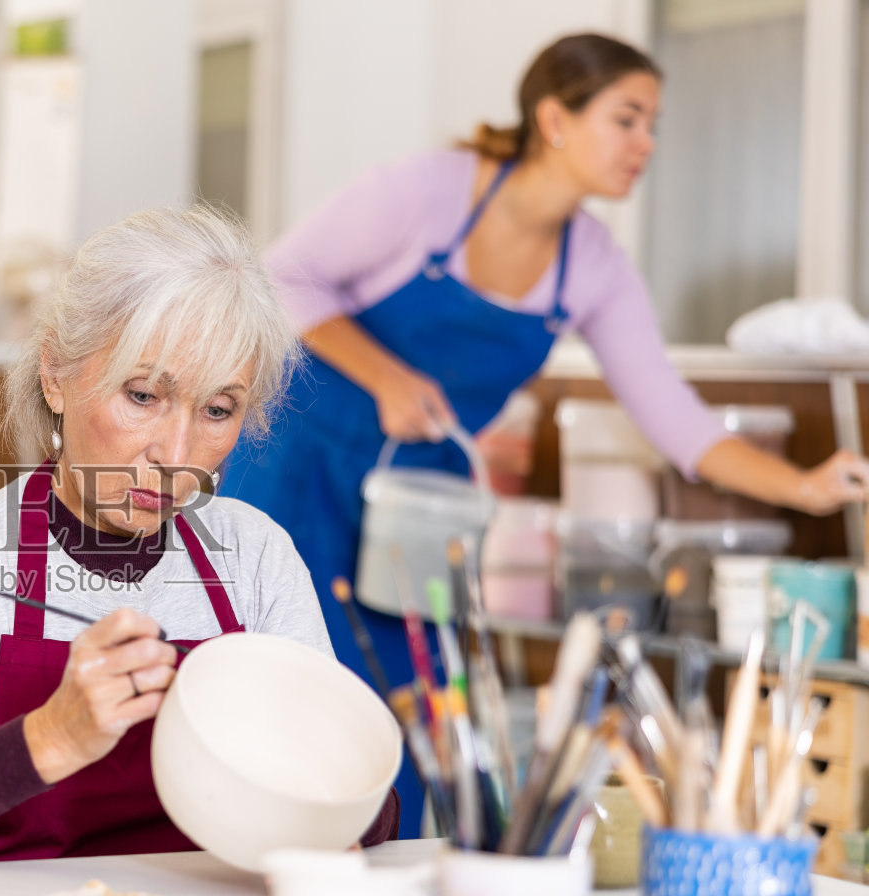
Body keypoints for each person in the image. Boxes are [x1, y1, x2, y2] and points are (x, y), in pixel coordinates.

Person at [218, 33, 869, 837]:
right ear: (555, 119)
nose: (646, 144)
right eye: (626, 119)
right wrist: (385, 376)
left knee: (410, 707)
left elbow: (673, 415)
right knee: (278, 678)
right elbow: (279, 276)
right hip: (296, 467)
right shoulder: (427, 192)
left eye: (653, 124)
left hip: (417, 508)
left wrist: (806, 485)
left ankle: (380, 879)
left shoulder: (592, 266)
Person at [0, 206, 399, 870]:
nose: (177, 453)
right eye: (143, 395)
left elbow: (369, 803)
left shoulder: (255, 559)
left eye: (217, 409)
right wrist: (48, 738)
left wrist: (315, 777)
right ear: (55, 375)